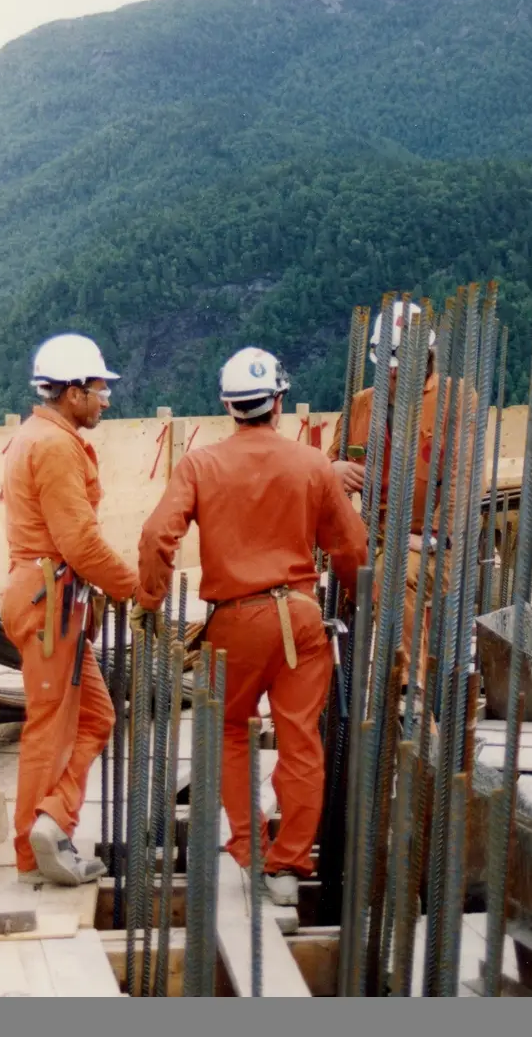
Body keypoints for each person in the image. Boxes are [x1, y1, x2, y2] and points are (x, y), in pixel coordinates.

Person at [136, 347, 368, 906]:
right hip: (299, 619)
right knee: (300, 740)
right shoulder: (312, 464)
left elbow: (155, 538)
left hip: (233, 624)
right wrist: (361, 604)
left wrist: (149, 601)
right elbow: (352, 547)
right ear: (279, 401)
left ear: (229, 406)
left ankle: (252, 849)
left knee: (230, 731)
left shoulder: (200, 464)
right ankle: (288, 868)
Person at [1, 333, 156, 886]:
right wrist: (139, 589)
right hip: (49, 603)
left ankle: (51, 819)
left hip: (55, 600)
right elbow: (80, 544)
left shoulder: (41, 435)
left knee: (97, 717)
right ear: (70, 392)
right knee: (47, 727)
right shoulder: (56, 446)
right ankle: (30, 854)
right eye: (97, 388)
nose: (106, 399)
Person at [327, 301, 477, 705]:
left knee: (394, 574)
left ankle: (407, 689)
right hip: (370, 537)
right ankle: (333, 691)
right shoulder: (362, 405)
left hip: (433, 546)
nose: (391, 371)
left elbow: (464, 484)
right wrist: (336, 471)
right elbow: (325, 471)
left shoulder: (455, 399)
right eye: (385, 361)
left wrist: (429, 539)